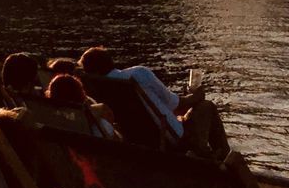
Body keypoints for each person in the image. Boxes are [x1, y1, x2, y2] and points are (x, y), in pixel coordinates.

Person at [79, 46, 229, 160]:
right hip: (169, 139)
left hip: (138, 140)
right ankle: (223, 160)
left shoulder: (98, 88)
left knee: (183, 114)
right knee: (206, 106)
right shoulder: (138, 74)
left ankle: (212, 154)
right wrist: (196, 96)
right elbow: (174, 104)